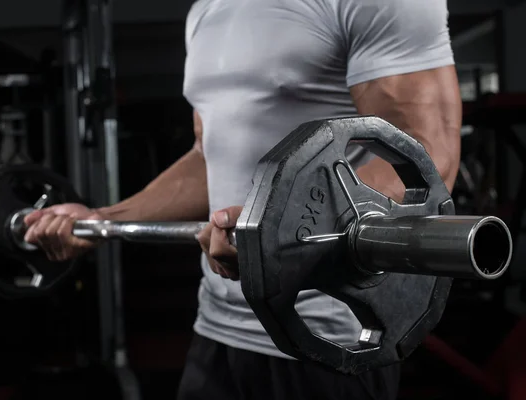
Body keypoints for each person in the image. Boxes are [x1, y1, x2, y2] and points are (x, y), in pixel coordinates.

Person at [24, 0, 462, 398]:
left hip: (326, 340)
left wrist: (276, 229)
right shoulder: (205, 12)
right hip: (219, 329)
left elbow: (425, 155)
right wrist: (102, 217)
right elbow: (207, 156)